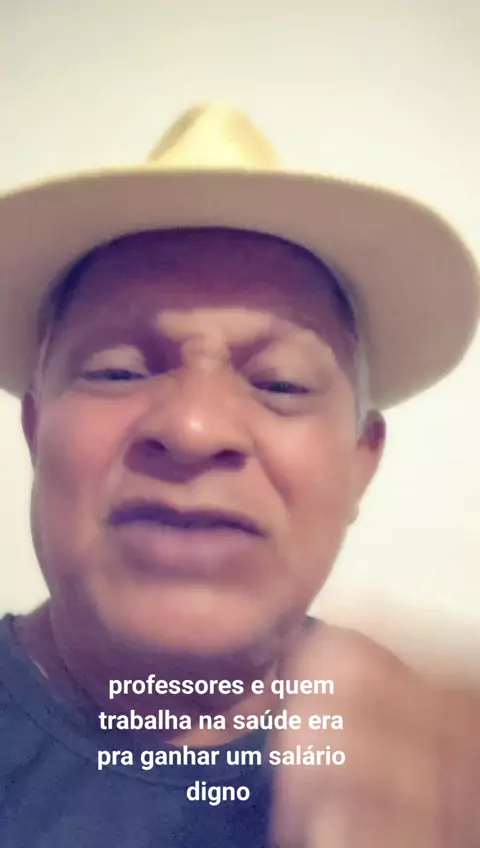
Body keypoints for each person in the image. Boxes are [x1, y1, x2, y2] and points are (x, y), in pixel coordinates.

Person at [0, 102, 479, 848]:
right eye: (117, 370)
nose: (195, 429)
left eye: (281, 383)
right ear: (35, 428)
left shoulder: (439, 774)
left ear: (362, 461)